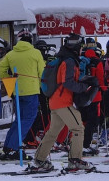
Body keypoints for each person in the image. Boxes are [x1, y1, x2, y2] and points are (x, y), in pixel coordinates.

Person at [29, 34, 95, 173]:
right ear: (77, 46)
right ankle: (75, 161)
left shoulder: (62, 58)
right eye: (81, 46)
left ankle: (39, 160)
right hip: (63, 101)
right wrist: (84, 87)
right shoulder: (69, 61)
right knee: (78, 128)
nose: (82, 49)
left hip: (55, 100)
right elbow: (67, 82)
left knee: (53, 132)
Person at [0, 29, 45, 160]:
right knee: (27, 119)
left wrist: (9, 82)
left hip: (16, 90)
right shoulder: (36, 53)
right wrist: (39, 84)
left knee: (19, 120)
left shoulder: (11, 54)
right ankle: (14, 147)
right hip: (32, 90)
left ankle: (9, 146)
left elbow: (0, 69)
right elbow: (42, 72)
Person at [79, 44, 104, 155]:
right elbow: (100, 79)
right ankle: (86, 145)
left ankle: (77, 143)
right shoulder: (97, 62)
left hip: (80, 94)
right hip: (94, 96)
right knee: (92, 121)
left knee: (81, 120)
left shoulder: (80, 60)